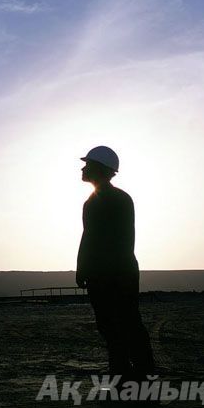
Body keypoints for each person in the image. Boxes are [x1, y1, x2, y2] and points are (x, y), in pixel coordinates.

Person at [76, 146, 155, 381]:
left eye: (88, 164)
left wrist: (89, 268)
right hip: (111, 272)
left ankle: (138, 378)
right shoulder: (101, 201)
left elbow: (103, 239)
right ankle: (126, 377)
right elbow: (90, 236)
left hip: (113, 273)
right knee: (114, 327)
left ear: (100, 169)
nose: (83, 168)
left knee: (122, 325)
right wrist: (84, 266)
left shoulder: (109, 201)